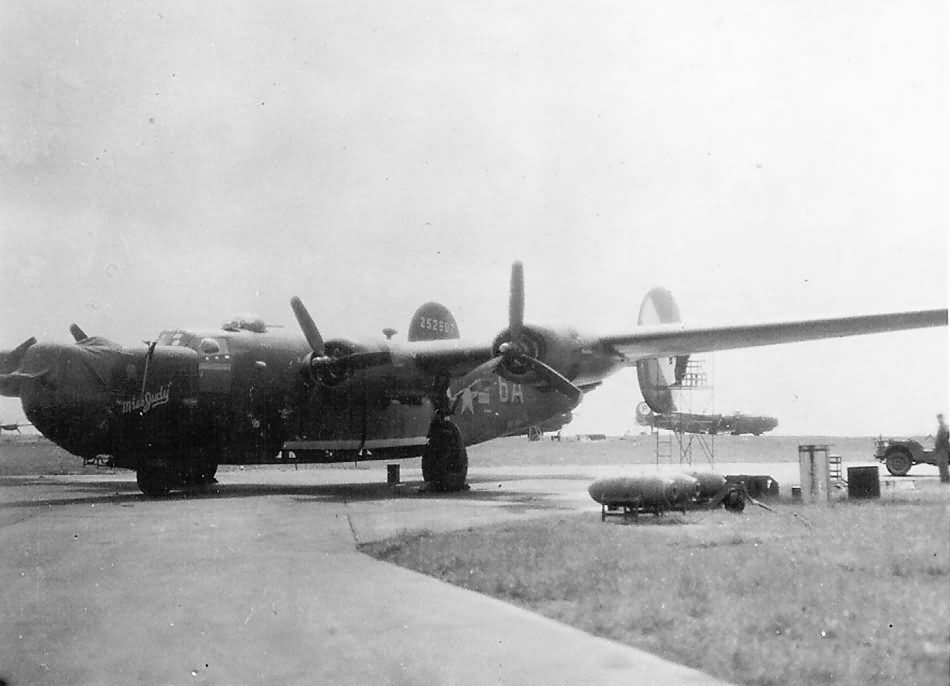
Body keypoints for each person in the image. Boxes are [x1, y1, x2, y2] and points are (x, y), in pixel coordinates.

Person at [936, 413, 949, 484]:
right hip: (941, 449)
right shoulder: (942, 426)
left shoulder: (943, 426)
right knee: (941, 464)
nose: (938, 420)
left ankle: (945, 479)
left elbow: (944, 438)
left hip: (943, 448)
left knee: (943, 464)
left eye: (939, 418)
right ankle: (944, 478)